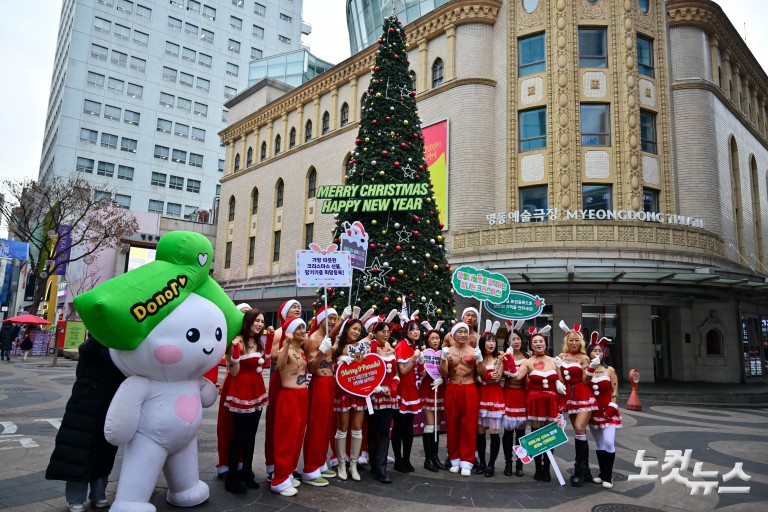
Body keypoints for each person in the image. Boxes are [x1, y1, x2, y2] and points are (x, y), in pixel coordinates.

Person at [45, 336, 126, 512]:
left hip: (110, 404)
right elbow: (86, 350)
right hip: (85, 404)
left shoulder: (122, 345)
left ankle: (98, 494)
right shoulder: (95, 345)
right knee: (76, 452)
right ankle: (76, 499)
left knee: (104, 451)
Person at [222, 309, 269, 493]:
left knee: (251, 435)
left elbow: (262, 365)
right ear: (248, 321)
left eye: (262, 321)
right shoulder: (238, 341)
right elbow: (233, 372)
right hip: (241, 392)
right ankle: (232, 478)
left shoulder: (257, 341)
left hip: (257, 391)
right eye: (256, 320)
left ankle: (247, 473)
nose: (259, 324)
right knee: (238, 436)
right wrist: (234, 353)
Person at [511, 325, 564, 482]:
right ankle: (538, 467)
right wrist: (506, 361)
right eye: (535, 342)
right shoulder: (527, 362)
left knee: (549, 435)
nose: (539, 344)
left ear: (546, 344)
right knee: (536, 435)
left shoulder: (554, 361)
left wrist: (560, 370)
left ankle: (547, 467)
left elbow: (561, 381)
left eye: (541, 341)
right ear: (531, 345)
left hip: (551, 402)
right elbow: (516, 378)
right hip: (535, 402)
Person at [270, 317, 309, 497]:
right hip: (289, 396)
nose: (303, 330)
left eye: (304, 327)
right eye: (299, 327)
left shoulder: (301, 350)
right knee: (286, 437)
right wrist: (285, 344)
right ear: (291, 332)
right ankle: (278, 479)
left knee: (297, 437)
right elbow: (278, 366)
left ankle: (289, 472)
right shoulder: (285, 348)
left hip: (302, 396)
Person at [556, 321, 598, 487]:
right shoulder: (560, 356)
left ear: (580, 342)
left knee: (580, 428)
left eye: (576, 340)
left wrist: (591, 368)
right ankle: (585, 469)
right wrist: (558, 377)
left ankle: (578, 470)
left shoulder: (584, 357)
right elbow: (560, 379)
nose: (573, 342)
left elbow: (586, 380)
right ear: (566, 341)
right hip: (569, 395)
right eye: (570, 340)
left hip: (582, 393)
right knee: (579, 433)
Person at [216, 303, 255, 479]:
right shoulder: (232, 338)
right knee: (227, 426)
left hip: (251, 390)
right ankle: (226, 463)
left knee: (245, 430)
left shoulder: (255, 339)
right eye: (241, 314)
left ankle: (242, 463)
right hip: (233, 385)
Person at [439, 322, 484, 476]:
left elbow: (482, 373)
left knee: (469, 425)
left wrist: (480, 359)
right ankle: (454, 458)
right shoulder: (448, 351)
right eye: (460, 332)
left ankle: (467, 460)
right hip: (452, 388)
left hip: (469, 388)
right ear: (453, 334)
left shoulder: (474, 351)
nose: (463, 335)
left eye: (465, 332)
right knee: (452, 424)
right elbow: (444, 374)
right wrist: (444, 359)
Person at [301, 305, 338, 486]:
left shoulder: (328, 337)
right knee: (316, 425)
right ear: (321, 319)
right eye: (329, 318)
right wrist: (322, 351)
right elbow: (312, 368)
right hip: (319, 384)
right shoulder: (313, 339)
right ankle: (309, 468)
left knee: (326, 425)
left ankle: (320, 461)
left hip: (330, 383)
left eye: (334, 318)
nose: (332, 321)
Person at [265, 299, 301, 479]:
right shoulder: (280, 333)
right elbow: (272, 356)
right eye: (293, 307)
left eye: (299, 307)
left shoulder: (301, 334)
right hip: (280, 382)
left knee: (293, 426)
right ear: (284, 312)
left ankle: (289, 465)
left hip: (297, 384)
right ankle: (274, 466)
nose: (297, 309)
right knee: (276, 424)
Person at [333, 318, 371, 481]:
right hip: (343, 391)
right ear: (346, 329)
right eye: (354, 329)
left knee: (357, 428)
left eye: (359, 330)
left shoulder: (360, 347)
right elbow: (328, 365)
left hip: (358, 392)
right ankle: (342, 463)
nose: (356, 332)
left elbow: (367, 368)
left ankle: (353, 465)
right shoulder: (337, 347)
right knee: (343, 427)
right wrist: (339, 363)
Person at [585, 332, 621, 489]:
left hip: (608, 411)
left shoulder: (610, 370)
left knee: (608, 442)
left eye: (600, 351)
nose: (597, 353)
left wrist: (612, 406)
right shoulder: (587, 371)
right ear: (589, 353)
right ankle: (602, 474)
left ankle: (609, 475)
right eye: (594, 351)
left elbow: (614, 391)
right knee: (599, 444)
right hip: (594, 412)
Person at [367, 321, 400, 483]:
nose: (386, 334)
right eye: (383, 331)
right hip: (372, 396)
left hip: (388, 396)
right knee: (373, 430)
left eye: (388, 331)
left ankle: (381, 469)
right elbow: (363, 373)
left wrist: (392, 388)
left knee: (385, 430)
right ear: (375, 332)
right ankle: (373, 464)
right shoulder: (368, 349)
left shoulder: (391, 349)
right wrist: (377, 388)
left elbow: (396, 374)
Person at [392, 319, 422, 473]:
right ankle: (398, 460)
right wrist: (415, 357)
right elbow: (403, 370)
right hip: (401, 392)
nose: (416, 332)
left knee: (409, 428)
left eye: (417, 329)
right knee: (399, 428)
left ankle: (407, 459)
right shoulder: (402, 346)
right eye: (412, 329)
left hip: (411, 392)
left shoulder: (414, 346)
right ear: (406, 331)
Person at [476, 322, 504, 477]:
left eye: (493, 341)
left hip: (494, 397)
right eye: (488, 340)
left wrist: (483, 378)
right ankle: (481, 462)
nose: (492, 344)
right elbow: (474, 376)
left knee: (494, 432)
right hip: (480, 397)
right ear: (482, 343)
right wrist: (484, 377)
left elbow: (497, 378)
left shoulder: (500, 359)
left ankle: (491, 465)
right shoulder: (478, 359)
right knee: (479, 433)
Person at [501, 321, 528, 477]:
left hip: (522, 396)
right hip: (508, 395)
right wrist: (506, 358)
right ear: (507, 342)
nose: (516, 341)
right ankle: (508, 463)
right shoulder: (504, 356)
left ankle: (519, 463)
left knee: (521, 433)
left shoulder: (528, 357)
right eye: (512, 339)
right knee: (508, 432)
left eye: (518, 338)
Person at [418, 321, 446, 472]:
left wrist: (443, 378)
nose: (435, 341)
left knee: (436, 427)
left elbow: (449, 371)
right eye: (432, 338)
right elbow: (421, 373)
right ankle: (428, 459)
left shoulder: (444, 353)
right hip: (428, 390)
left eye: (437, 338)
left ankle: (435, 457)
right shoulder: (424, 354)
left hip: (440, 390)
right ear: (427, 340)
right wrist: (421, 364)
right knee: (429, 426)